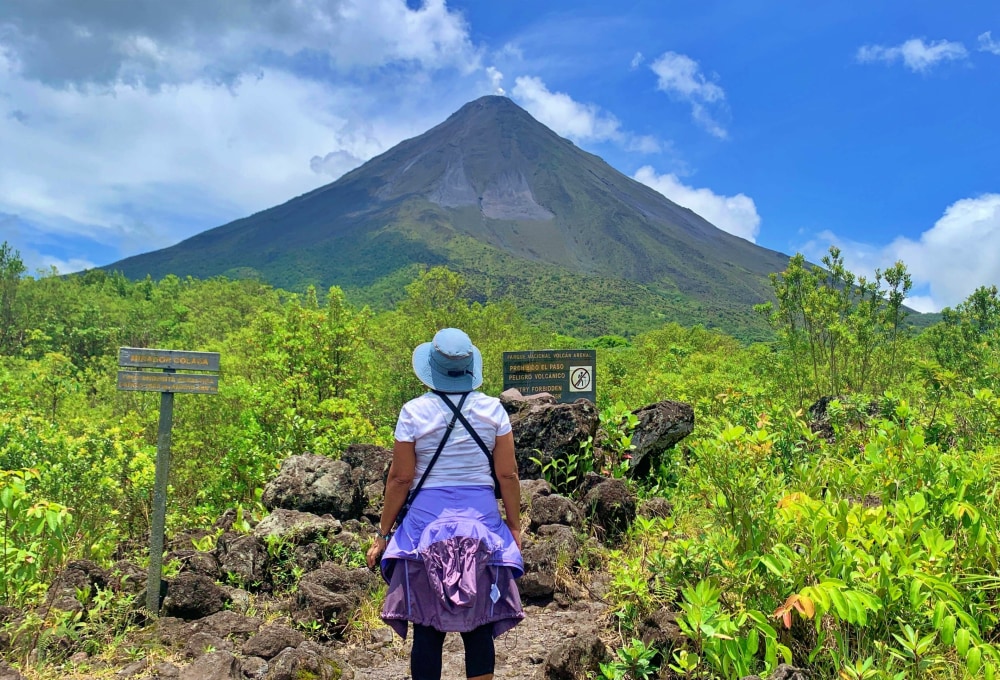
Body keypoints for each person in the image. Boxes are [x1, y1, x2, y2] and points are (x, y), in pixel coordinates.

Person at [366, 328, 524, 680]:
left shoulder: (413, 412)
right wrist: (513, 527)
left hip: (425, 530)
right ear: (469, 368)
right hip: (481, 527)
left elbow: (400, 479)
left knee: (427, 627)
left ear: (432, 368)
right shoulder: (492, 410)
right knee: (479, 626)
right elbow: (509, 475)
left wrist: (383, 532)